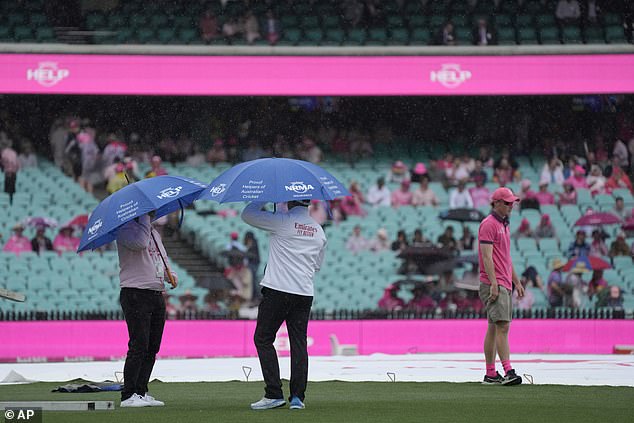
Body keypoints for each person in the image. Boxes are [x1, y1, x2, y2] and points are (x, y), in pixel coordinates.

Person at [241, 200, 327, 411]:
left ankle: (274, 393)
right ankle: (297, 397)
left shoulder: (282, 221)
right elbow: (317, 266)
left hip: (278, 290)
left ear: (287, 201)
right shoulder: (318, 231)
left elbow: (247, 215)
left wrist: (264, 197)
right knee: (299, 344)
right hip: (304, 293)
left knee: (263, 339)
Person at [116, 212, 177, 408]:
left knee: (152, 347)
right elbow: (140, 244)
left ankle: (140, 391)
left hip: (155, 292)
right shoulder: (124, 229)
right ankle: (128, 394)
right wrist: (144, 219)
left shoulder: (153, 232)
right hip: (135, 292)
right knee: (139, 345)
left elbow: (160, 257)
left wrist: (170, 274)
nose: (152, 213)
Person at [478, 187, 524, 385]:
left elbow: (505, 257)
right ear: (496, 203)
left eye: (512, 202)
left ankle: (490, 373)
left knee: (494, 328)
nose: (511, 206)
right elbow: (486, 258)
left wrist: (516, 281)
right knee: (503, 326)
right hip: (494, 283)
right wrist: (495, 283)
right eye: (507, 203)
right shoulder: (489, 224)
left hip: (502, 282)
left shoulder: (503, 224)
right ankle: (508, 371)